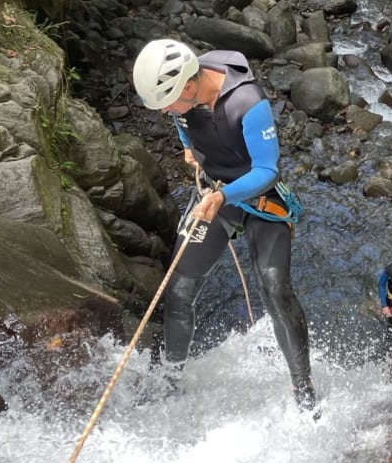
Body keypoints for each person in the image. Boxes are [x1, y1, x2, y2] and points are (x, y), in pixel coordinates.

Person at [132, 38, 316, 410]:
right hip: (216, 191)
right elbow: (182, 122)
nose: (164, 111)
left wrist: (221, 198)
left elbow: (266, 169)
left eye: (167, 103)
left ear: (188, 86)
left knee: (274, 289)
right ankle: (171, 382)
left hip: (258, 198)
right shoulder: (183, 91)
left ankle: (304, 390)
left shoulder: (249, 104)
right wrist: (189, 146)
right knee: (179, 287)